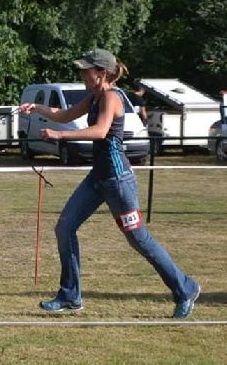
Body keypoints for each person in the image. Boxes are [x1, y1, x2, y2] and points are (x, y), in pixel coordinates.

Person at [18, 48, 200, 319]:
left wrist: (59, 135)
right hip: (98, 179)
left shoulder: (112, 98)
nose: (81, 74)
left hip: (118, 181)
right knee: (64, 227)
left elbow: (101, 131)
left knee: (139, 240)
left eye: (85, 70)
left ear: (100, 73)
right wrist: (38, 108)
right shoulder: (95, 96)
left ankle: (185, 289)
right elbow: (66, 115)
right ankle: (70, 296)